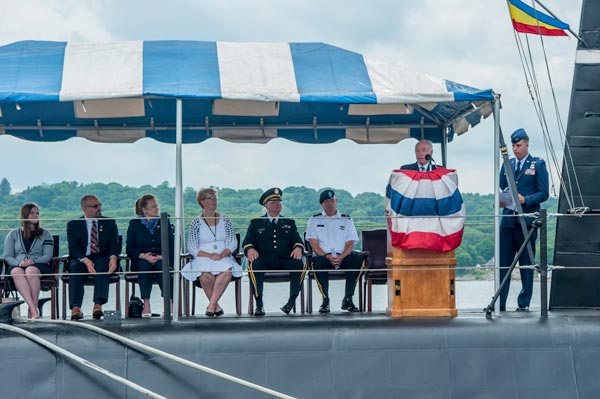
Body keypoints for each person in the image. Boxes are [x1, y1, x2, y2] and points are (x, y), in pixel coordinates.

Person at [499, 128, 549, 312]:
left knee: (526, 265)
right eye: (513, 145)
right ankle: (501, 302)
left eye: (518, 145)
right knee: (504, 264)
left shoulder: (538, 164)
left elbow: (544, 193)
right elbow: (502, 186)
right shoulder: (507, 164)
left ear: (527, 145)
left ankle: (524, 302)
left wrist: (525, 200)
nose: (515, 148)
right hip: (508, 221)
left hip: (527, 221)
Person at [242, 187, 306, 316]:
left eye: (279, 202)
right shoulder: (256, 223)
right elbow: (247, 241)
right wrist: (250, 249)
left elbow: (297, 241)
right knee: (254, 266)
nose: (278, 205)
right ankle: (259, 304)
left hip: (284, 259)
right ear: (266, 205)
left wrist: (298, 247)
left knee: (299, 265)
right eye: (274, 202)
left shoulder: (289, 222)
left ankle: (291, 302)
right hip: (264, 259)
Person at [183, 188, 241, 317]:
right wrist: (209, 255)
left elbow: (232, 242)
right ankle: (216, 306)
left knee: (227, 271)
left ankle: (211, 305)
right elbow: (192, 246)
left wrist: (222, 254)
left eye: (215, 198)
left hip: (223, 255)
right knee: (204, 274)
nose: (214, 201)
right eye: (211, 198)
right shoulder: (196, 222)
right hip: (203, 257)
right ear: (202, 201)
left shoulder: (225, 220)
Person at [305, 190, 362, 313]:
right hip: (323, 257)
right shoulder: (314, 220)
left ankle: (348, 299)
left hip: (343, 256)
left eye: (332, 200)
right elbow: (314, 244)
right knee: (317, 262)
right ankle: (325, 301)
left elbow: (350, 242)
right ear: (322, 204)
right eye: (327, 201)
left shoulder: (346, 219)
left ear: (336, 201)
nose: (330, 204)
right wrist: (326, 255)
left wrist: (342, 256)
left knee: (358, 259)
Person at [66, 195, 120, 320]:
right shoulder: (73, 225)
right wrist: (85, 260)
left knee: (102, 264)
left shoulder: (109, 222)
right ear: (85, 208)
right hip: (82, 258)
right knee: (75, 267)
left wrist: (113, 257)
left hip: (101, 256)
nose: (99, 208)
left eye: (100, 205)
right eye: (96, 206)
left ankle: (98, 305)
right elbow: (73, 248)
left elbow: (114, 244)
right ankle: (76, 307)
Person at [3, 203, 54, 319]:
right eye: (32, 213)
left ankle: (33, 309)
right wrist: (19, 263)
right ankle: (33, 309)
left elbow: (47, 256)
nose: (36, 215)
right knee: (17, 272)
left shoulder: (46, 234)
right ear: (25, 215)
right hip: (17, 265)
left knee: (31, 270)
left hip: (39, 265)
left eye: (37, 213)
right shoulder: (12, 234)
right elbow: (8, 256)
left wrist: (33, 261)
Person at [126, 194, 174, 318]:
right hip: (143, 258)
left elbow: (172, 244)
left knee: (162, 266)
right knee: (144, 266)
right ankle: (146, 303)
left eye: (157, 206)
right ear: (144, 209)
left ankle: (169, 302)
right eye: (153, 207)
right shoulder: (135, 224)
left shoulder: (164, 222)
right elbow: (130, 248)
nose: (157, 209)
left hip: (161, 257)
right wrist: (143, 256)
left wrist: (162, 256)